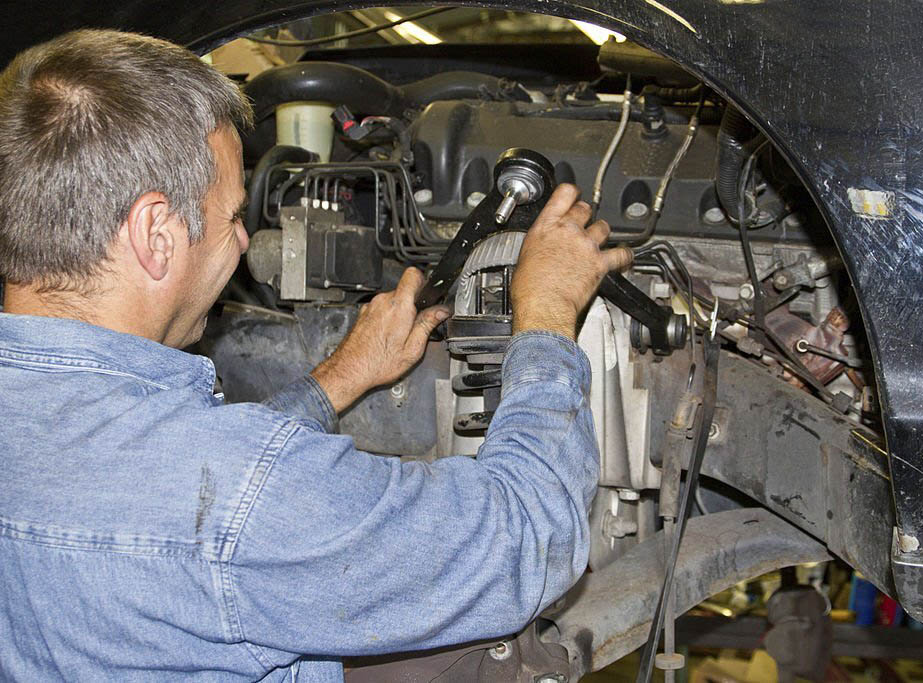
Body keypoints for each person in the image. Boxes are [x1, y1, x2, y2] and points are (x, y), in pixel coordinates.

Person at [0, 29, 632, 680]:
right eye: (232, 219)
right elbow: (525, 542)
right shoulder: (240, 501)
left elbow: (183, 485)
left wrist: (336, 379)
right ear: (155, 233)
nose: (245, 241)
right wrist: (549, 312)